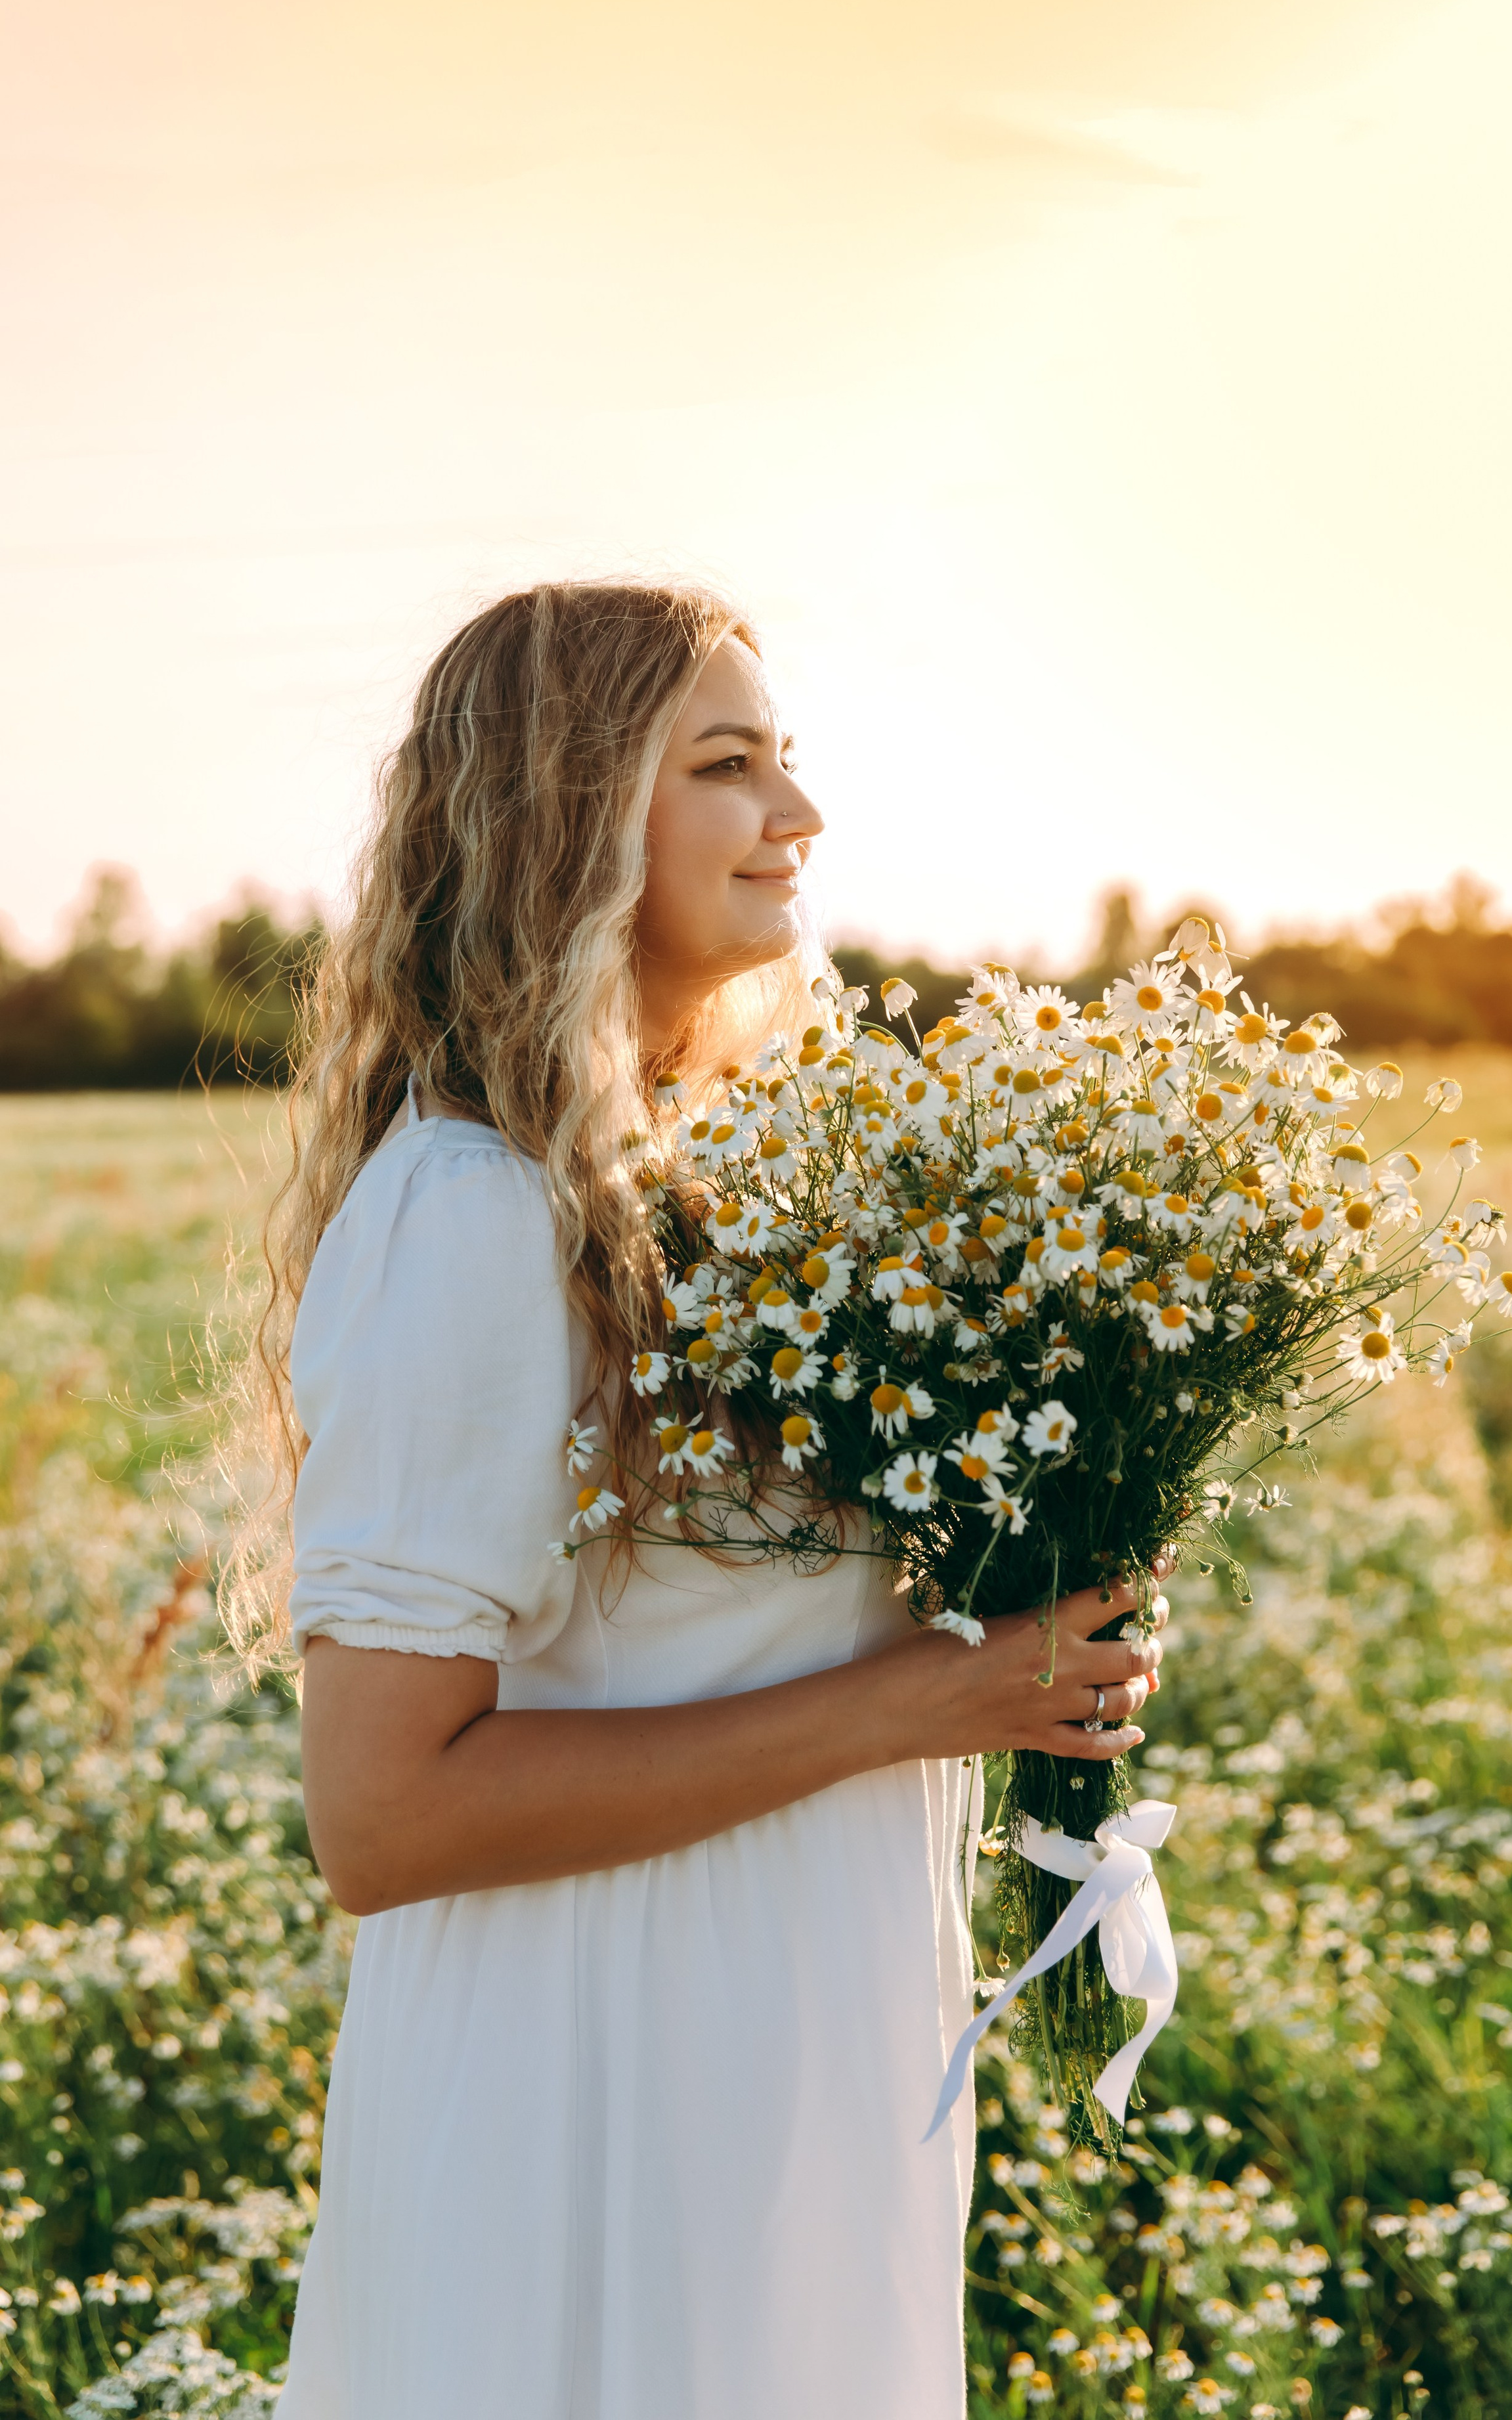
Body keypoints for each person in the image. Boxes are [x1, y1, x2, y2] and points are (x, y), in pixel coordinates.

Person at [236, 581, 1163, 2419]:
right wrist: (927, 1699)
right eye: (727, 768)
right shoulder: (474, 1214)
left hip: (799, 2058)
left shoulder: (702, 1191)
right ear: (570, 815)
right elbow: (380, 1815)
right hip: (603, 2092)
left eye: (787, 764)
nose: (797, 820)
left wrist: (1037, 1583)